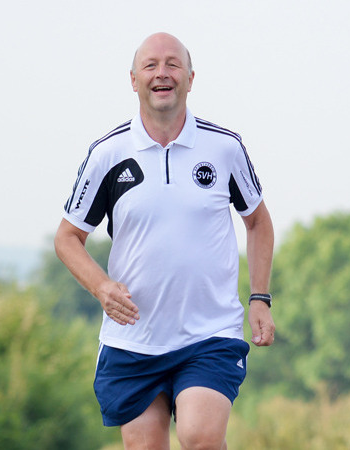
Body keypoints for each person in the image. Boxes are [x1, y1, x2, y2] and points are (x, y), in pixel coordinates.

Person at [55, 32, 276, 450]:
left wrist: (260, 297)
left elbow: (258, 223)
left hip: (209, 333)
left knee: (200, 437)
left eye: (173, 64)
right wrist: (101, 287)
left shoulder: (224, 147)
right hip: (134, 339)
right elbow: (68, 238)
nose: (163, 73)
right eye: (151, 65)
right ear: (133, 79)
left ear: (191, 78)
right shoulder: (107, 153)